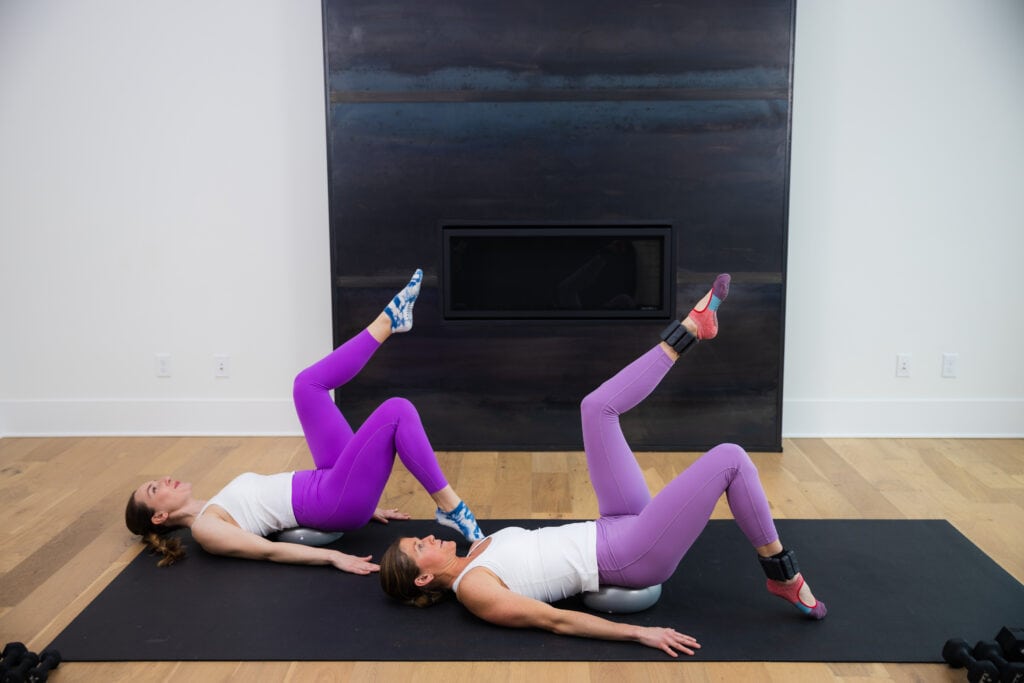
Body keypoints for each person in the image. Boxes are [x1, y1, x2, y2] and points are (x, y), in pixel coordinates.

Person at [378, 273, 826, 657]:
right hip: (629, 556)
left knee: (595, 408)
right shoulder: (474, 589)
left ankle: (692, 327)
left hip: (612, 523)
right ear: (423, 578)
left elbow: (456, 517)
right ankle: (783, 576)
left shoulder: (474, 550)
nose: (429, 536)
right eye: (420, 546)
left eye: (419, 537)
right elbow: (555, 622)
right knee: (729, 458)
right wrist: (639, 633)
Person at [125, 269, 484, 574]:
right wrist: (332, 557)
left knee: (306, 386)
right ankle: (453, 509)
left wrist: (365, 498)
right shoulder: (205, 529)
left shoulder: (213, 504)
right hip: (332, 501)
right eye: (155, 489)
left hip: (330, 485)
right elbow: (268, 551)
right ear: (159, 518)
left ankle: (388, 323)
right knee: (396, 410)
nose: (164, 480)